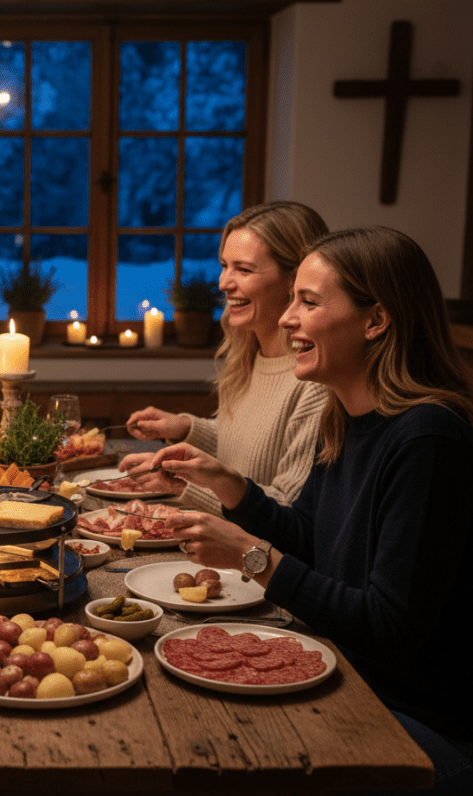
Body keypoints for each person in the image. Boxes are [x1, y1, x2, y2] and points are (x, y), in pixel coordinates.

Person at [131, 227, 472, 794]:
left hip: (417, 723)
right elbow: (310, 538)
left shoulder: (428, 439)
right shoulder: (345, 417)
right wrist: (233, 488)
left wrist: (254, 558)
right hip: (346, 675)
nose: (287, 319)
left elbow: (389, 628)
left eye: (308, 302)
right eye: (291, 300)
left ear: (375, 321)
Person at [121, 201, 329, 514]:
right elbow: (243, 450)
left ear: (294, 279)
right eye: (224, 266)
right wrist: (184, 428)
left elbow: (289, 513)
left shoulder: (315, 383)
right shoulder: (248, 357)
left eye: (243, 270)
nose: (223, 283)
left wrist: (183, 485)